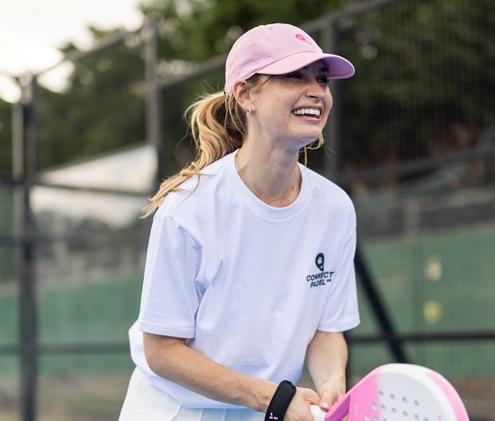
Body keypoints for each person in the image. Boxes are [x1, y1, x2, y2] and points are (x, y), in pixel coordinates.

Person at [119, 22, 360, 421]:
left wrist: (333, 379)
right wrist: (271, 398)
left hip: (261, 409)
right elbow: (161, 349)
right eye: (293, 76)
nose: (317, 90)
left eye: (321, 79)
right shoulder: (188, 208)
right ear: (246, 94)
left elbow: (325, 328)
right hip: (175, 410)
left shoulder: (335, 209)